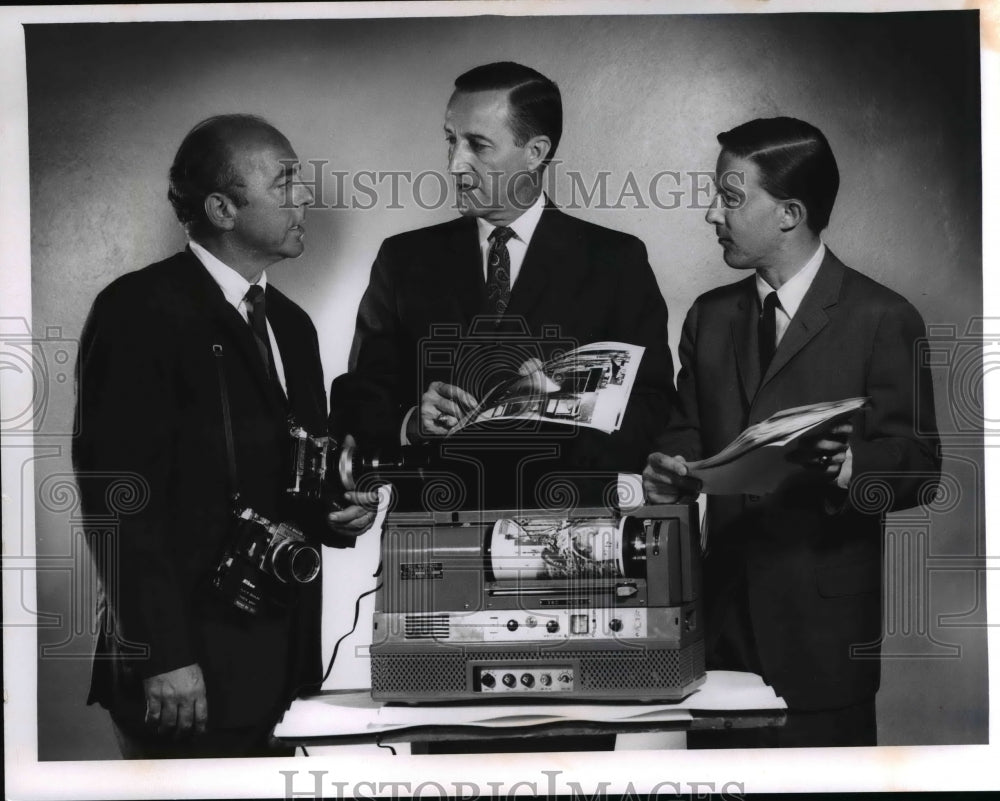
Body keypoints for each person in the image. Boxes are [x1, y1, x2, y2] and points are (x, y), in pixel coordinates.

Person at [72, 114, 376, 759]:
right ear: (222, 208)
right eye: (285, 182)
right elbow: (116, 495)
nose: (305, 197)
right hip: (181, 673)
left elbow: (293, 472)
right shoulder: (137, 310)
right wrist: (162, 655)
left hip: (279, 664)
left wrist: (338, 511)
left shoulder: (292, 327)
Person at [643, 117, 940, 748]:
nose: (709, 215)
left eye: (729, 197)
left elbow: (920, 464)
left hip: (825, 639)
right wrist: (671, 469)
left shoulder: (884, 317)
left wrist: (851, 466)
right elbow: (686, 430)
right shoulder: (709, 316)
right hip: (719, 628)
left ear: (789, 213)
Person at [330, 62, 675, 511]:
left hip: (569, 539)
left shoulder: (616, 262)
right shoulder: (402, 260)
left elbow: (652, 409)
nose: (455, 163)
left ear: (535, 152)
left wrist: (561, 407)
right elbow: (358, 398)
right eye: (451, 140)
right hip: (432, 539)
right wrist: (412, 422)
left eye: (478, 145)